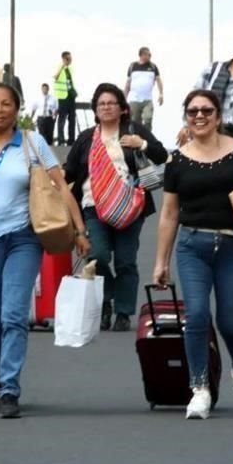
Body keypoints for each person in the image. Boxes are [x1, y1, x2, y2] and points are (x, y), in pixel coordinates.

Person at [0, 82, 91, 419]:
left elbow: (61, 187)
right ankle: (0, 378)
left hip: (23, 239)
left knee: (14, 316)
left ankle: (9, 387)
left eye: (6, 104)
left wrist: (79, 229)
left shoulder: (32, 142)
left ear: (17, 109)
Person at [153, 89, 233, 420]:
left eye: (206, 111)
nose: (199, 116)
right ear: (186, 118)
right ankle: (199, 388)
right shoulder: (176, 160)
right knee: (197, 316)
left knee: (231, 322)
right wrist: (161, 262)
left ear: (218, 116)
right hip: (192, 247)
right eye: (192, 112)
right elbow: (170, 213)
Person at [64, 83, 168, 332]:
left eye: (111, 103)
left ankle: (123, 311)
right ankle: (107, 299)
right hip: (93, 206)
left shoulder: (134, 131)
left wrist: (141, 144)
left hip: (130, 207)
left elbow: (161, 155)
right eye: (101, 104)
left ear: (122, 108)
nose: (106, 107)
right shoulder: (87, 138)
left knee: (125, 262)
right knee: (96, 254)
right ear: (95, 109)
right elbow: (69, 171)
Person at [124, 46, 164, 129]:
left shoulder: (153, 67)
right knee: (134, 121)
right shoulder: (133, 66)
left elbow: (159, 80)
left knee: (148, 118)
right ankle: (137, 137)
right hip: (134, 100)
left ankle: (148, 136)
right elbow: (128, 84)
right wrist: (124, 99)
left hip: (147, 100)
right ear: (141, 55)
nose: (148, 57)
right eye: (146, 55)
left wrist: (161, 94)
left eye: (149, 55)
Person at [53, 51, 77, 145]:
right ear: (63, 59)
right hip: (62, 98)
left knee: (72, 119)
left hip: (71, 97)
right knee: (62, 119)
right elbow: (55, 77)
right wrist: (62, 66)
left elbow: (70, 82)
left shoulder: (70, 69)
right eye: (68, 59)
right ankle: (61, 140)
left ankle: (71, 140)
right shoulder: (58, 67)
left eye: (70, 59)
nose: (70, 60)